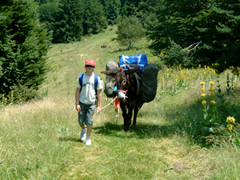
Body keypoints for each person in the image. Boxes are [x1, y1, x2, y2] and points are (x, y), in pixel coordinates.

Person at [75, 59, 102, 145]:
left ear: (94, 68)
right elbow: (77, 91)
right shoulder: (81, 77)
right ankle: (83, 129)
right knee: (80, 121)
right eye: (87, 66)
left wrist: (99, 106)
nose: (89, 68)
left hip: (91, 103)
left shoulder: (97, 78)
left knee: (89, 121)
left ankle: (88, 138)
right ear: (85, 67)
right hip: (82, 103)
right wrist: (77, 103)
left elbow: (99, 93)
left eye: (91, 66)